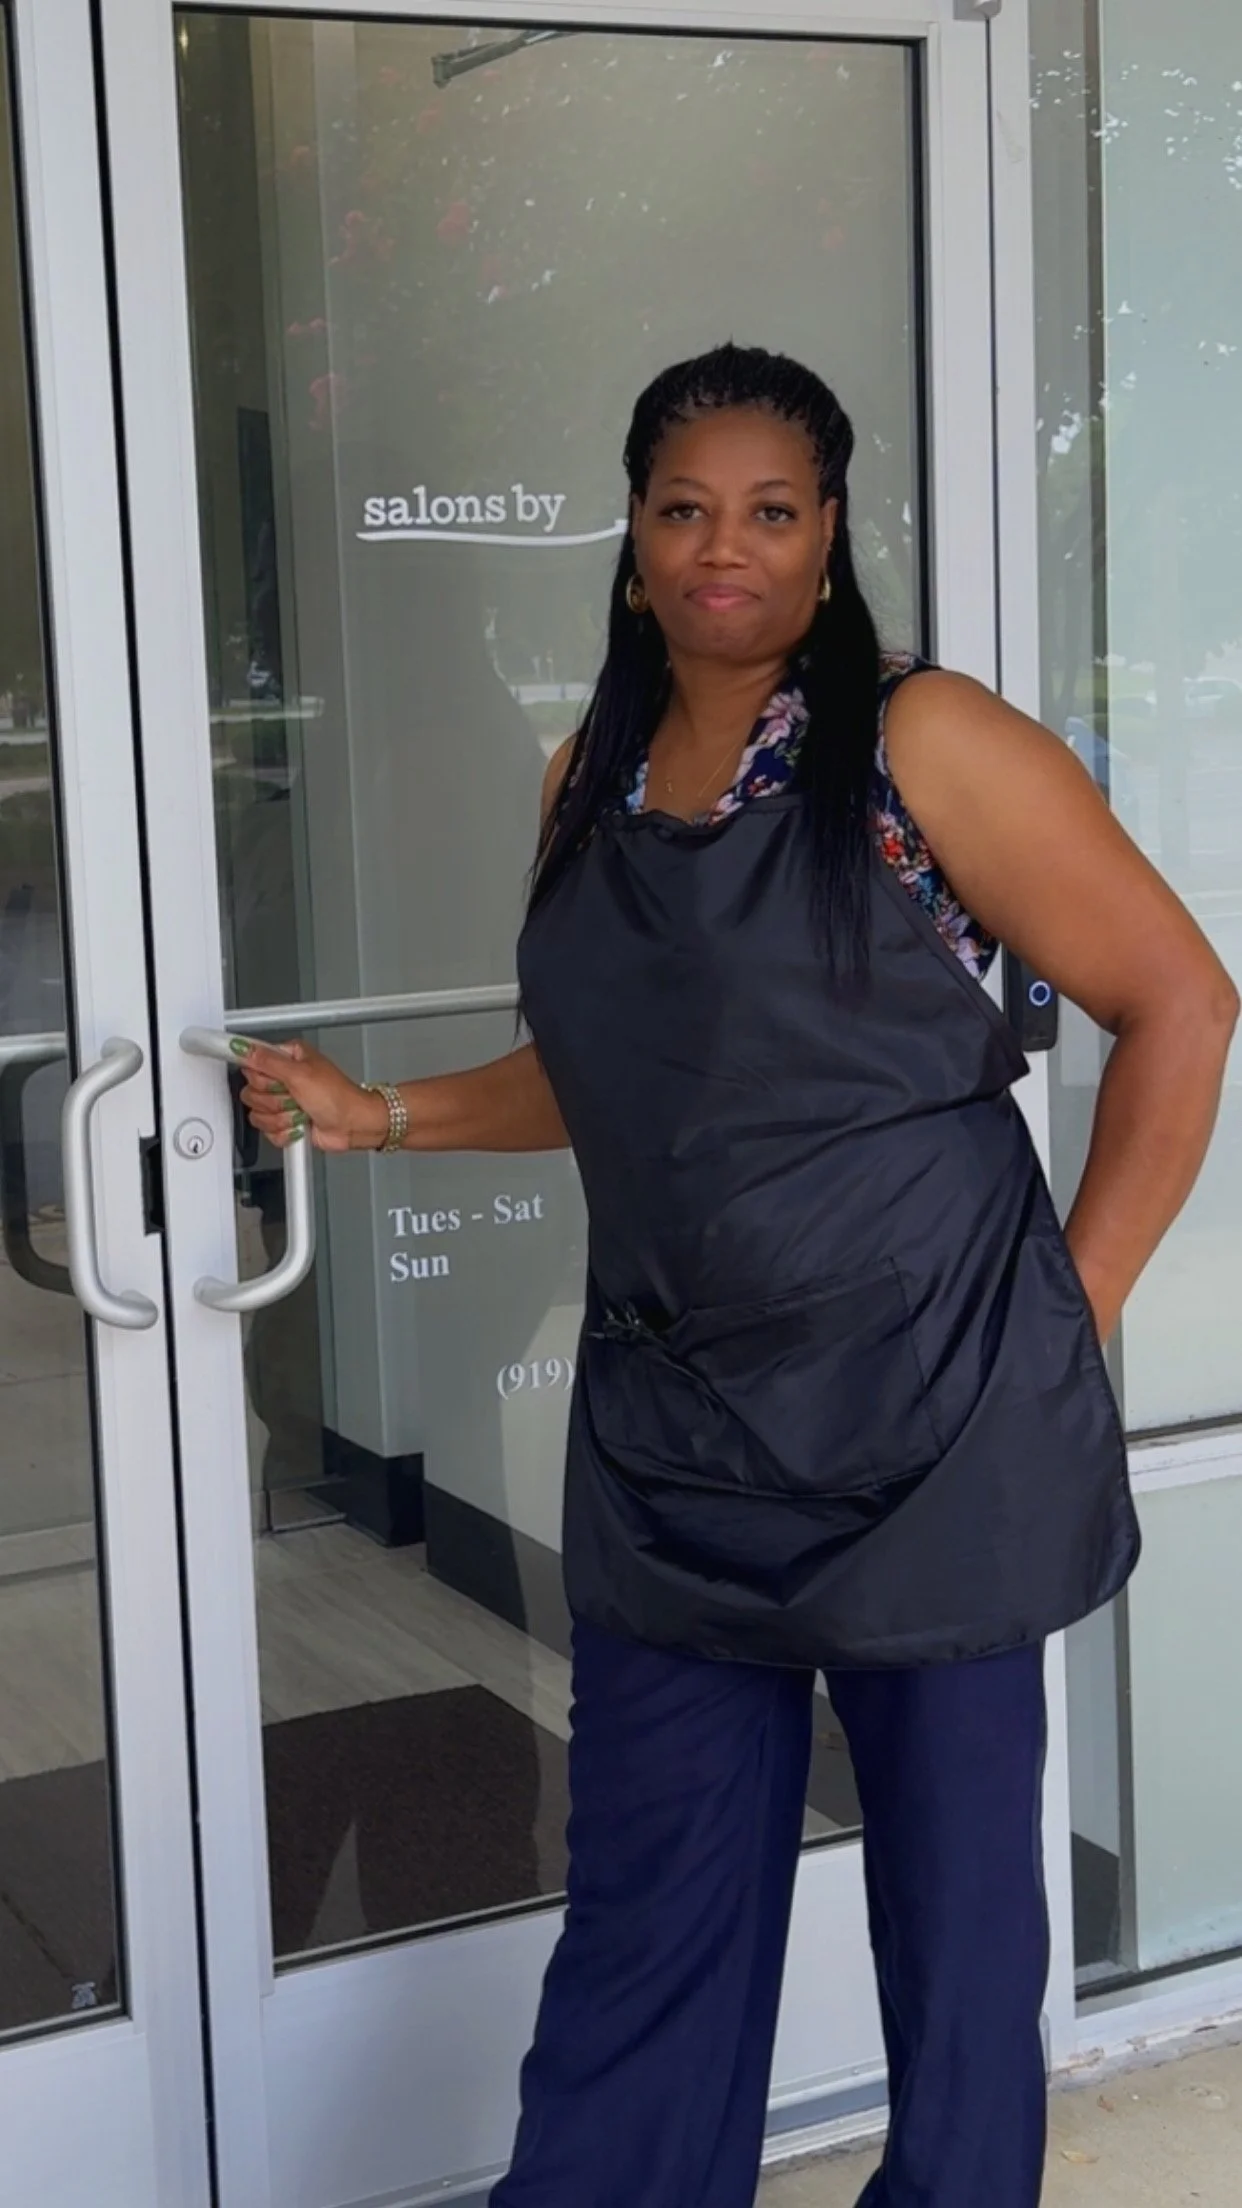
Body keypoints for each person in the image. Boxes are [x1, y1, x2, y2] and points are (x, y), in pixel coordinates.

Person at [234, 345, 1238, 2208]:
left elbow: (1178, 1003)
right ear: (631, 541)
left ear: (829, 536)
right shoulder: (585, 777)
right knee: (643, 1917)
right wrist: (378, 1117)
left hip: (931, 1426)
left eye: (771, 511)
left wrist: (1065, 1312)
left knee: (954, 1943)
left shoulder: (926, 740)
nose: (726, 548)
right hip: (674, 1435)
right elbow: (607, 1072)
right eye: (686, 509)